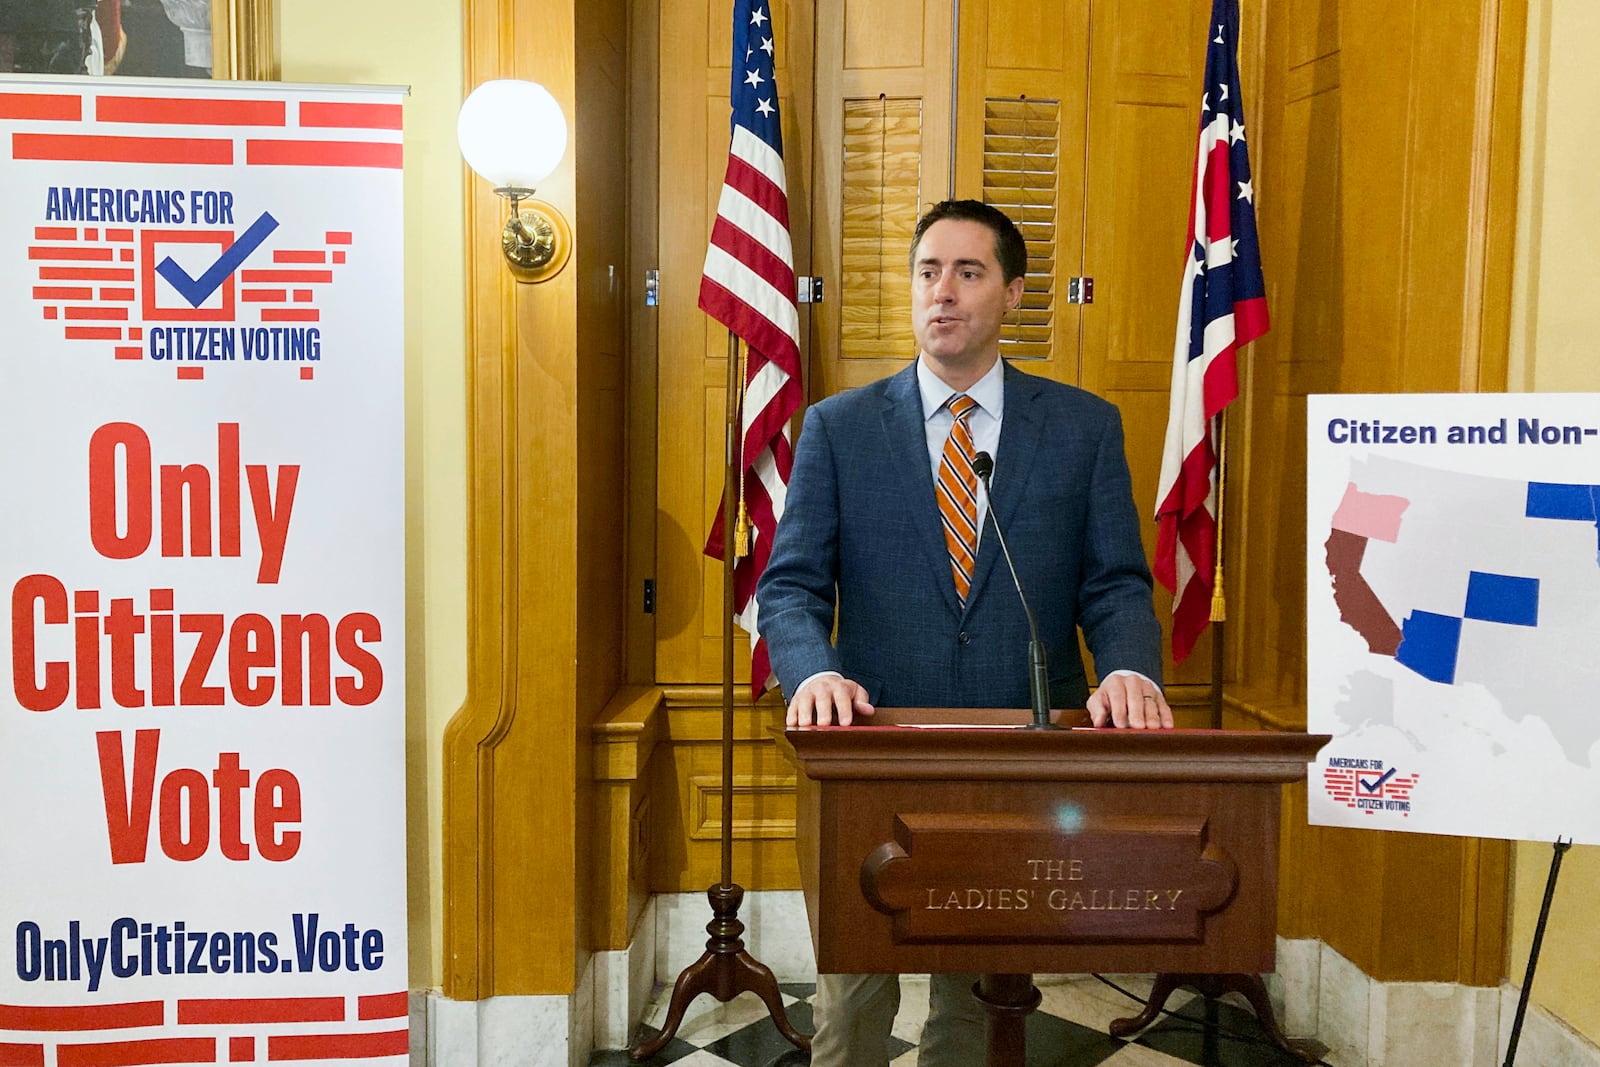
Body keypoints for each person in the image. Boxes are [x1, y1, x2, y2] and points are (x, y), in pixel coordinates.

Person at [755, 199, 1174, 1066]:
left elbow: (1117, 585)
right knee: (853, 1009)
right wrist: (810, 675)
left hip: (1016, 767)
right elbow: (790, 586)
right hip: (874, 760)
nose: (942, 292)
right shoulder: (839, 428)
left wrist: (1129, 667)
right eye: (927, 271)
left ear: (1014, 292)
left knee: (981, 1010)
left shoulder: (1083, 428)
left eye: (968, 272)